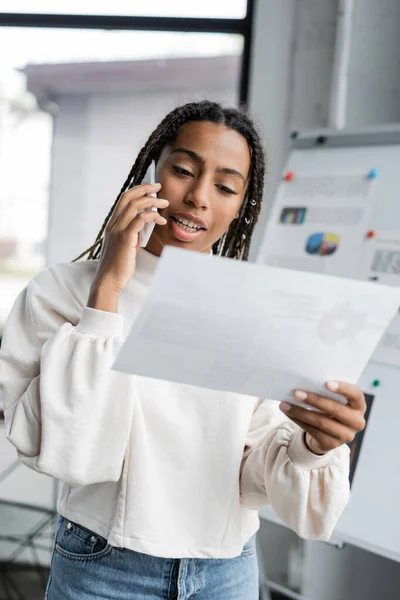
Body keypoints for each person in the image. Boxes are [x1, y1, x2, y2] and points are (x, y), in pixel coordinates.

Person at [0, 101, 366, 600]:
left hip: (225, 572)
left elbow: (257, 466)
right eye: (183, 171)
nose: (197, 198)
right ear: (153, 170)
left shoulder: (258, 308)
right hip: (102, 566)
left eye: (225, 186)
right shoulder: (60, 290)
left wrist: (314, 447)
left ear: (242, 205)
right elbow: (71, 453)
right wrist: (107, 291)